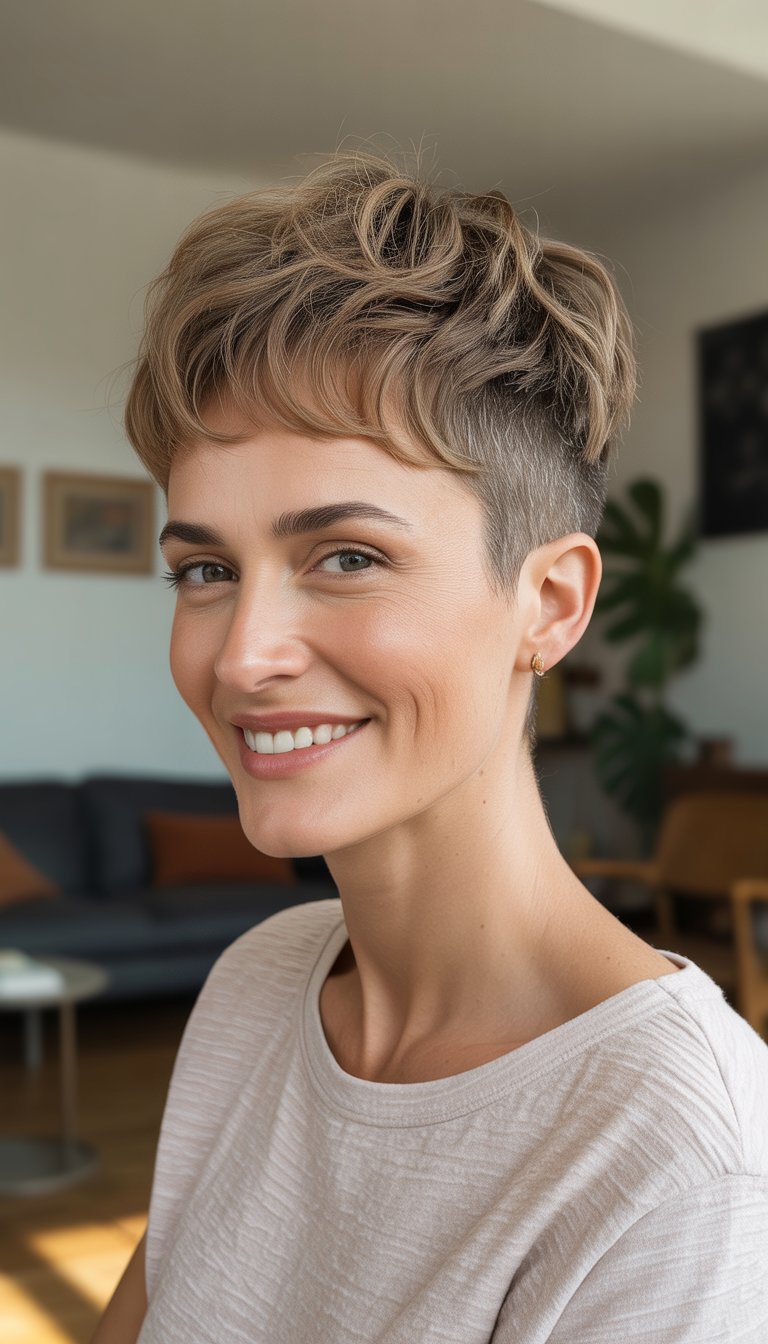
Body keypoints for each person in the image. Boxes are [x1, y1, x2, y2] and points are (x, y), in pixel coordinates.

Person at [92, 150, 768, 1344]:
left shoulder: (678, 1156)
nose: (243, 655)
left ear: (550, 605)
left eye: (345, 556)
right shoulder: (260, 984)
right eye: (205, 569)